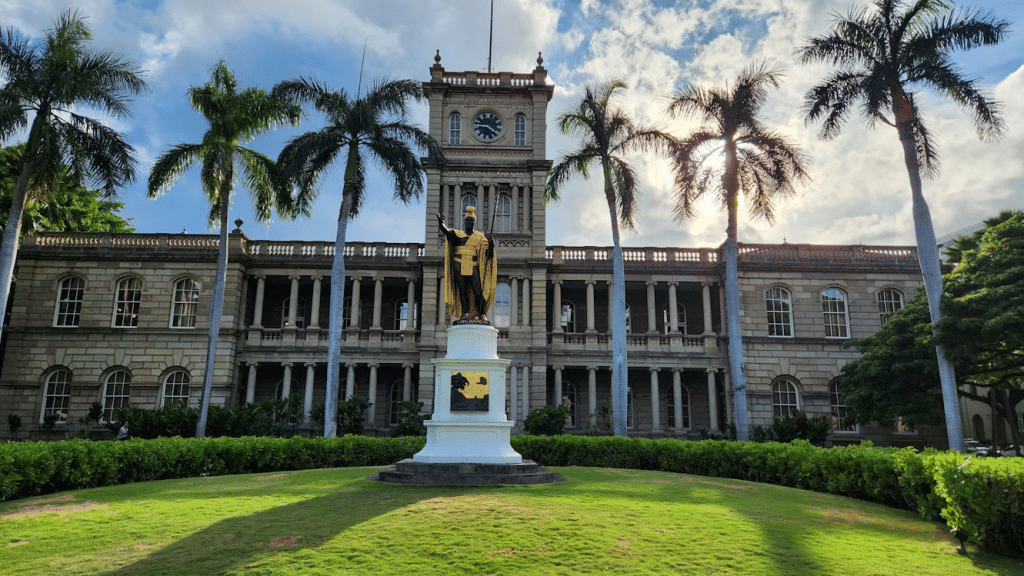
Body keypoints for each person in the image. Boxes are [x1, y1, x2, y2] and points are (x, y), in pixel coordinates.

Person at [438, 206, 497, 323]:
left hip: (473, 264)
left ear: (474, 222)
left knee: (477, 290)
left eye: (471, 221)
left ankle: (482, 313)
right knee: (462, 290)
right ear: (464, 222)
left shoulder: (480, 237)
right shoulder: (458, 234)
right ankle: (465, 313)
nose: (469, 223)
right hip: (458, 263)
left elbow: (488, 255)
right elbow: (447, 232)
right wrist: (441, 223)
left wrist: (491, 244)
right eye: (467, 220)